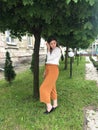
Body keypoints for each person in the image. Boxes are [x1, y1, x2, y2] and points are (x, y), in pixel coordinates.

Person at [39, 36, 61, 114]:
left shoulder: (57, 50)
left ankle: (49, 107)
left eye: (54, 43)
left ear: (56, 43)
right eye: (51, 44)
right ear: (49, 44)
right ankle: (55, 104)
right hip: (48, 69)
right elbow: (48, 61)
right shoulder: (51, 50)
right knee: (52, 87)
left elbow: (50, 58)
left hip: (53, 70)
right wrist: (45, 70)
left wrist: (48, 49)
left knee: (43, 88)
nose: (53, 45)